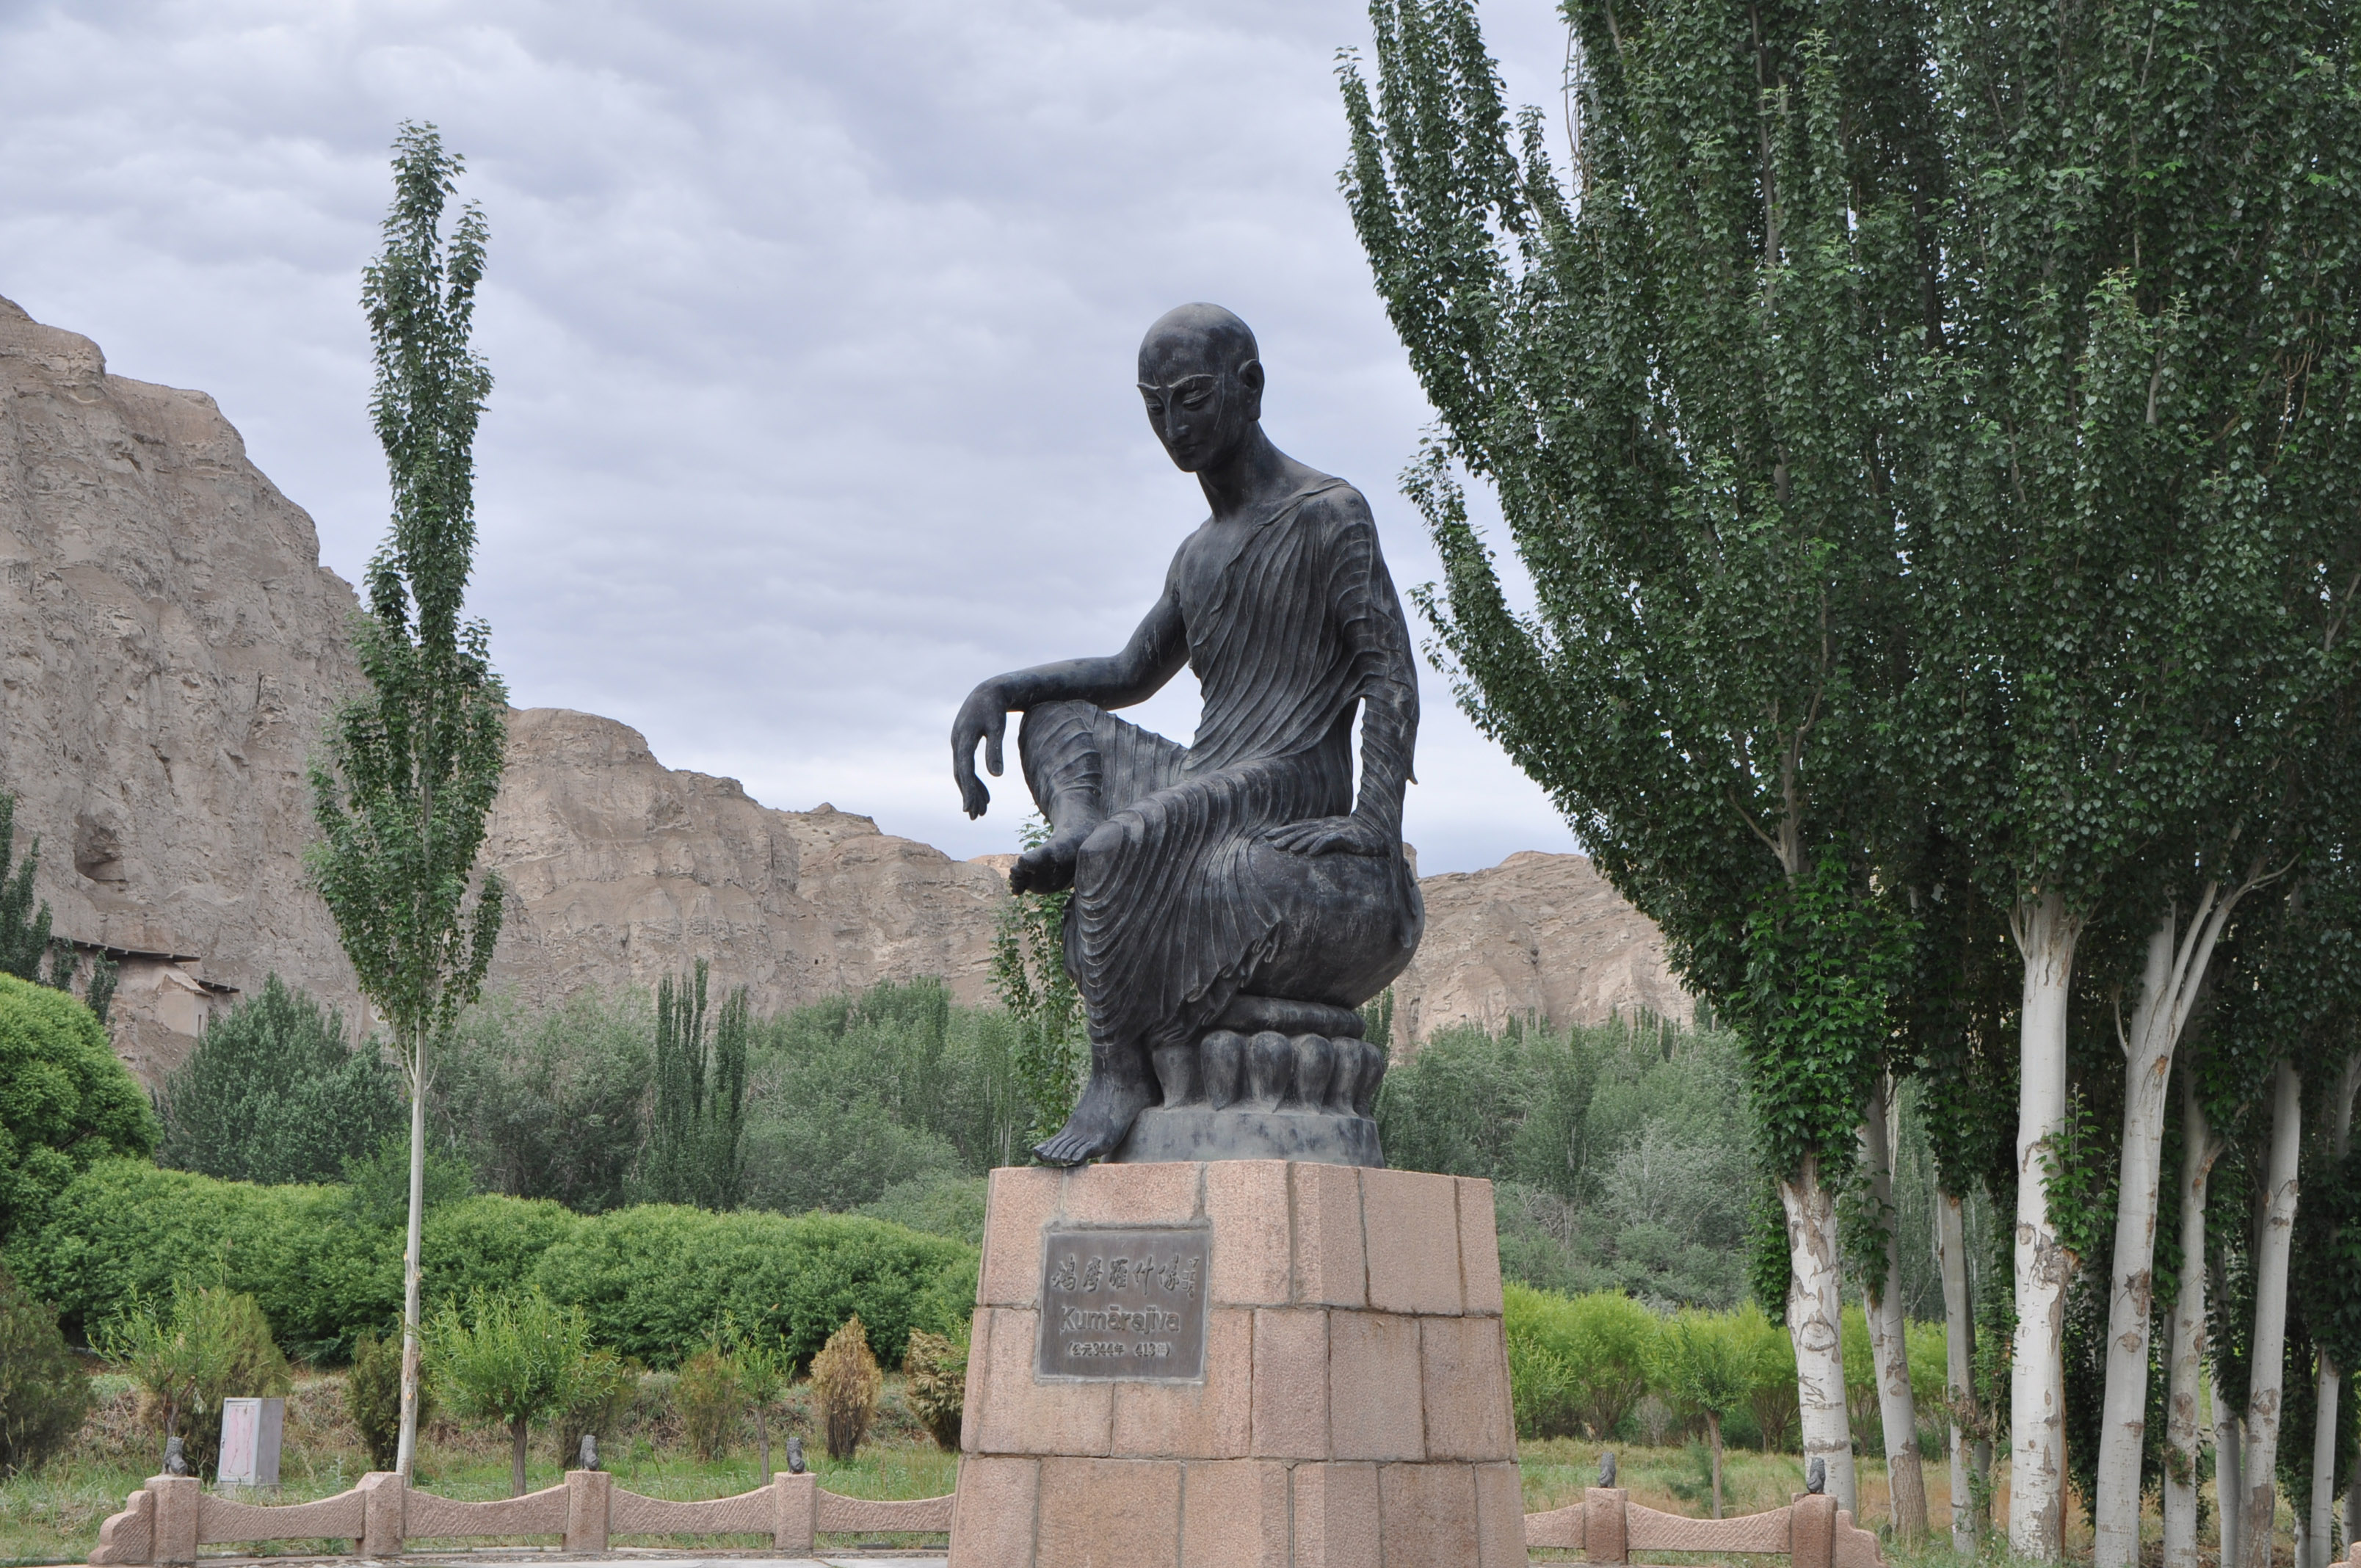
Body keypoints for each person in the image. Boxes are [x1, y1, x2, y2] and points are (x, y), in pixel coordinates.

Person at [951, 303, 1423, 1164]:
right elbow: (1132, 671)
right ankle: (1080, 831)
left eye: (1193, 398)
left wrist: (1373, 822)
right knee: (1060, 721)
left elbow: (1390, 671)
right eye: (1155, 406)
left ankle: (1117, 1073)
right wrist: (1002, 688)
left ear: (1250, 389)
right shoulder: (1197, 554)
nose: (1175, 425)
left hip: (1281, 782)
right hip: (1210, 776)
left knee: (1127, 852)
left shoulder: (1328, 514)